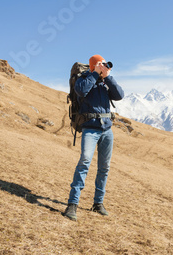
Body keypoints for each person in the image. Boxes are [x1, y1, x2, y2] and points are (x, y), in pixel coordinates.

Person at [63, 54, 124, 221]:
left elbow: (119, 95)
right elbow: (81, 91)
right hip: (90, 129)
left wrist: (108, 77)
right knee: (84, 162)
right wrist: (94, 74)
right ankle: (72, 204)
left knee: (104, 167)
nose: (103, 66)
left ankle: (98, 203)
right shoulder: (84, 79)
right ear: (93, 65)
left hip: (107, 130)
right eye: (100, 64)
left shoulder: (105, 82)